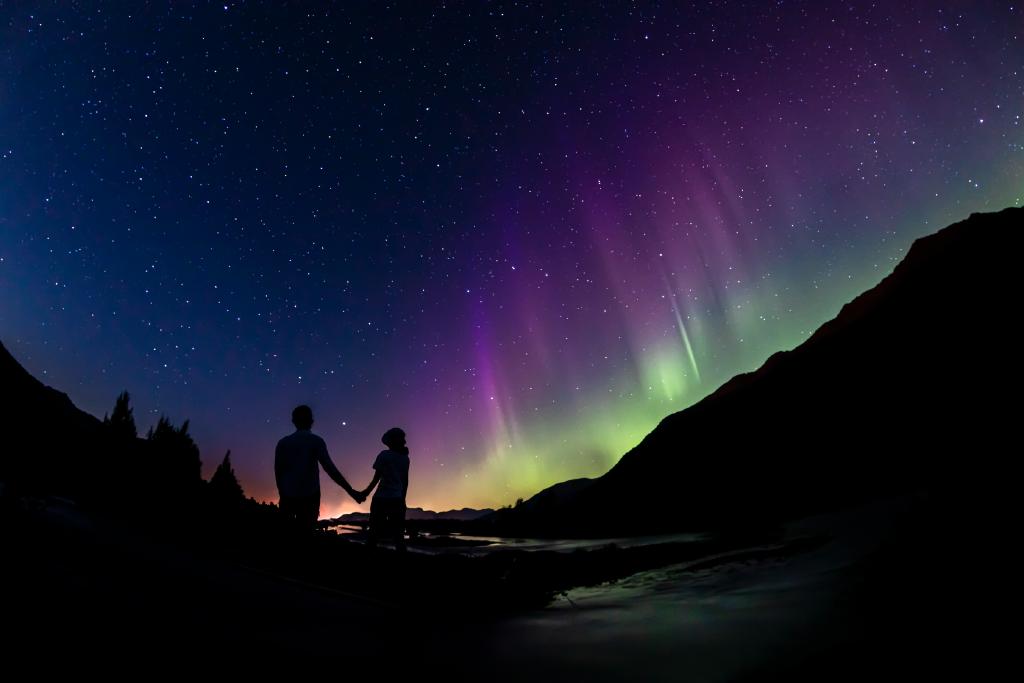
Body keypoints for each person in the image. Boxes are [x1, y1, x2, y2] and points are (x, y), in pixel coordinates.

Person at [275, 404, 364, 531]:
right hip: (310, 496)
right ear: (311, 421)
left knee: (288, 535)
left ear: (293, 421)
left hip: (288, 495)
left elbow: (278, 471)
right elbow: (330, 469)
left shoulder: (283, 443)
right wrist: (350, 491)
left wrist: (282, 494)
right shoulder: (316, 441)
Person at [361, 427, 410, 551]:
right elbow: (405, 481)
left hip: (381, 498)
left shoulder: (384, 455)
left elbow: (376, 478)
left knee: (374, 533)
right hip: (397, 499)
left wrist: (365, 492)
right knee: (398, 536)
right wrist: (403, 500)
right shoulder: (405, 459)